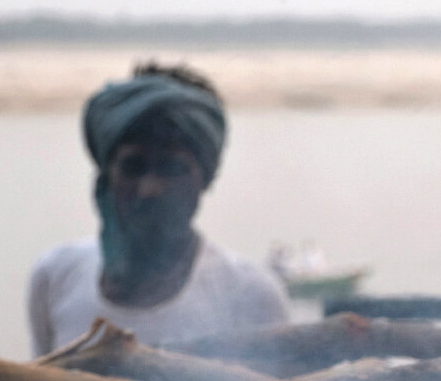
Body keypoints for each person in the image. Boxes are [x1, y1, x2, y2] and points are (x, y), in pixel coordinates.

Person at [25, 62, 288, 357]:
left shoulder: (247, 294)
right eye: (133, 166)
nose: (150, 189)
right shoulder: (56, 276)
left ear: (205, 178)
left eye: (173, 168)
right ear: (106, 177)